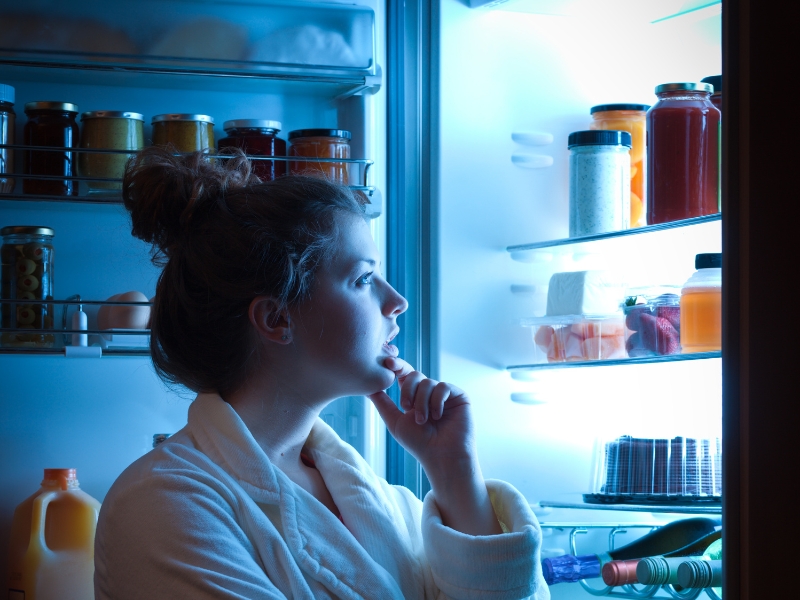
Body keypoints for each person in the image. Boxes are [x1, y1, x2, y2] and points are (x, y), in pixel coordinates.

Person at [94, 147, 550, 600]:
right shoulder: (163, 504)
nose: (396, 301)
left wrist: (453, 471)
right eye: (363, 280)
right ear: (277, 319)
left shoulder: (370, 494)